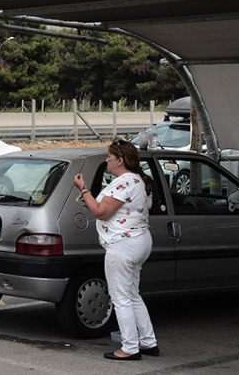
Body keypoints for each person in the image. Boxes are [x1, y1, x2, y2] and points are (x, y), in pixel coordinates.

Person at [73, 137, 159, 361]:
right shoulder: (138, 180)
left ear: (120, 160)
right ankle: (148, 342)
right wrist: (92, 200)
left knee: (120, 297)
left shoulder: (123, 182)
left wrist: (83, 190)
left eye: (109, 158)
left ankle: (129, 347)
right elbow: (116, 208)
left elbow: (102, 212)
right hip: (139, 241)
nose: (107, 161)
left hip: (122, 245)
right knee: (132, 295)